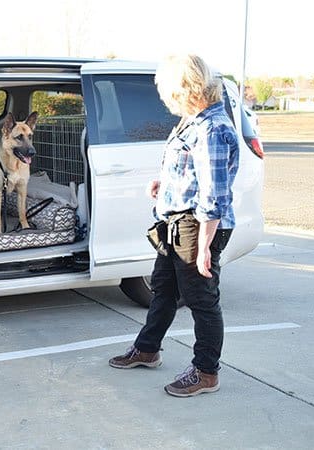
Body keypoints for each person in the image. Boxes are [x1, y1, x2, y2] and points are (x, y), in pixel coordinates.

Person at [108, 54, 239, 397]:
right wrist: (163, 184)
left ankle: (206, 372)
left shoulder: (212, 128)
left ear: (187, 89)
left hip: (197, 225)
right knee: (164, 289)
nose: (164, 99)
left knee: (202, 300)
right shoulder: (191, 121)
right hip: (176, 221)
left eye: (168, 92)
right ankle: (148, 349)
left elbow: (213, 196)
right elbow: (190, 172)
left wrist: (205, 250)